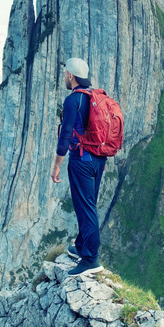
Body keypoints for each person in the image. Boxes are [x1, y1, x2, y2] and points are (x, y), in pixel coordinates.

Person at [51, 57, 106, 275]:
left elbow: (65, 135)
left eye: (65, 73)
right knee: (88, 204)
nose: (64, 76)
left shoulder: (73, 100)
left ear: (71, 76)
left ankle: (91, 260)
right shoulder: (93, 96)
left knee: (86, 209)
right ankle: (82, 247)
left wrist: (56, 165)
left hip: (81, 161)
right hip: (98, 160)